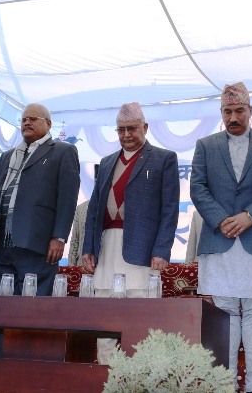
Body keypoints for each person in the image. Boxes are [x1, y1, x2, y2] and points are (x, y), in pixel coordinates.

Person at [190, 82, 252, 393]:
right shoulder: (206, 145)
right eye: (227, 111)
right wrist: (221, 220)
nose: (233, 117)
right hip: (219, 240)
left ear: (250, 111)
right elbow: (198, 188)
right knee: (225, 312)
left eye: (239, 110)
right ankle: (225, 385)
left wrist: (250, 215)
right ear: (221, 112)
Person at [0, 103, 80, 358]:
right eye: (23, 119)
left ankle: (31, 366)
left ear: (48, 124)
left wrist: (59, 237)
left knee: (35, 309)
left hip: (36, 244)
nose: (26, 123)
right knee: (2, 310)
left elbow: (67, 198)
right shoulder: (7, 156)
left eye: (33, 118)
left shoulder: (62, 151)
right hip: (1, 245)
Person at [82, 102, 179, 364]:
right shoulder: (106, 162)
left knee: (142, 319)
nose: (126, 134)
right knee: (105, 318)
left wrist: (161, 250)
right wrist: (88, 248)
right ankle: (106, 375)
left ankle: (140, 378)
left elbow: (169, 210)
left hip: (143, 251)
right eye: (121, 129)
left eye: (132, 128)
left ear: (145, 127)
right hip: (107, 247)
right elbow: (94, 210)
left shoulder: (164, 159)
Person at [68, 164, 99, 266]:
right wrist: (71, 268)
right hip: (83, 267)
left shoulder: (115, 211)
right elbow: (75, 242)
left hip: (105, 266)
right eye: (97, 182)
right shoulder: (81, 209)